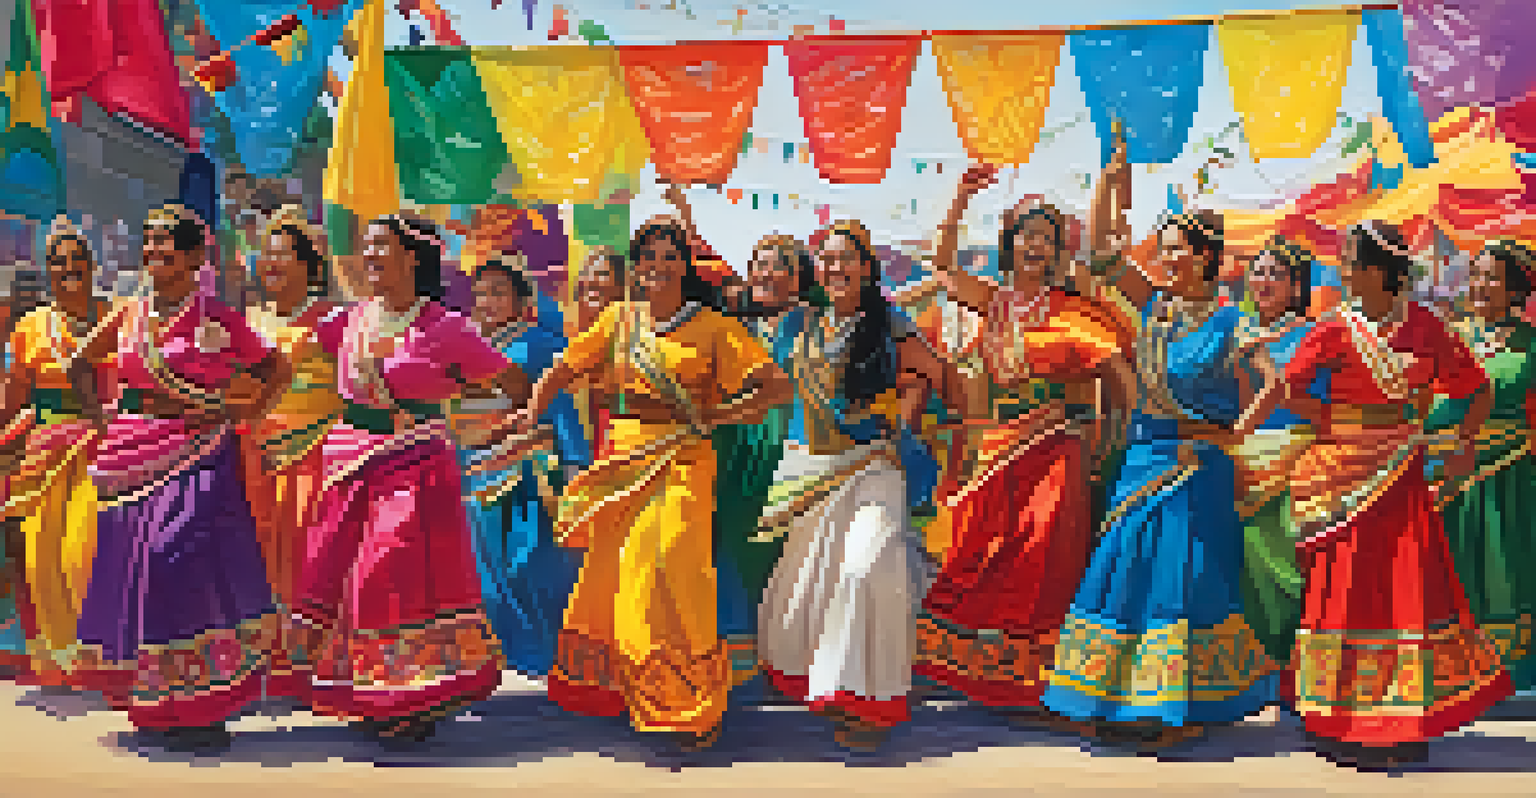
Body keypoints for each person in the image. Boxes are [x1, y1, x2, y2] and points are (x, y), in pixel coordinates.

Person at [511, 215, 793, 751]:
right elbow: (563, 370)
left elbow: (776, 390)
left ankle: (686, 698)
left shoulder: (713, 328)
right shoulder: (618, 320)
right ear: (636, 267)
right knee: (618, 575)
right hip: (624, 458)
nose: (658, 266)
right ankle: (642, 688)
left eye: (670, 256)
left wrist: (722, 413)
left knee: (670, 560)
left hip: (684, 456)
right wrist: (532, 413)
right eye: (649, 257)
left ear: (685, 266)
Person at [1246, 221, 1511, 765]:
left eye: (1348, 261)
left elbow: (1475, 387)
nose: (1341, 271)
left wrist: (1463, 443)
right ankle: (1331, 712)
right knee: (1339, 593)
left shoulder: (1425, 327)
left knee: (1400, 594)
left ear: (1376, 270)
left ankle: (1398, 716)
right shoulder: (1331, 328)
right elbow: (1292, 391)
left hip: (1398, 479)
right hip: (1337, 477)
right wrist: (1334, 423)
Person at [1040, 205, 1282, 749]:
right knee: (1123, 566)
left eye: (1180, 248)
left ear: (1206, 258)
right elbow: (1100, 254)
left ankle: (1176, 705)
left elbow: (1275, 385)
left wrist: (1233, 433)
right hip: (1144, 457)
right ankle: (1112, 696)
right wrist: (1114, 178)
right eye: (1165, 247)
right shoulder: (1153, 305)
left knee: (1181, 580)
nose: (1169, 257)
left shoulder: (1230, 320)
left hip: (1198, 464)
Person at [911, 165, 1133, 718]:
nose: (1036, 244)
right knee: (980, 556)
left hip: (1059, 446)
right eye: (1026, 235)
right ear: (1009, 244)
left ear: (1057, 252)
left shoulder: (1074, 310)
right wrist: (959, 199)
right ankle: (975, 671)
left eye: (1047, 238)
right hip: (996, 451)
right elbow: (941, 268)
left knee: (1042, 555)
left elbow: (1117, 381)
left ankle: (1038, 683)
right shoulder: (993, 301)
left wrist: (1105, 446)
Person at [293, 214, 522, 744]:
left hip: (415, 465)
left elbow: (513, 383)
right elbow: (295, 360)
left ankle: (406, 691)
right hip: (349, 463)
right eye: (366, 247)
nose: (369, 256)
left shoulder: (446, 328)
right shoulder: (346, 322)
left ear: (413, 258)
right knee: (354, 580)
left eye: (380, 247)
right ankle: (388, 692)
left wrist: (492, 428)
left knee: (387, 569)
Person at [69, 205, 289, 751]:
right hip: (132, 458)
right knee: (140, 572)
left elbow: (275, 368)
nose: (154, 252)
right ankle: (163, 701)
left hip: (201, 452)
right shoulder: (128, 315)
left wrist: (246, 414)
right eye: (149, 242)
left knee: (178, 557)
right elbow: (80, 363)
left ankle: (206, 697)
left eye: (166, 244)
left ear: (195, 258)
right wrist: (102, 419)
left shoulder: (218, 318)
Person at [755, 219, 951, 750]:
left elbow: (937, 374)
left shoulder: (890, 324)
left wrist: (905, 411)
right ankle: (837, 685)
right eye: (825, 258)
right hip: (810, 474)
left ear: (865, 267)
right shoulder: (798, 326)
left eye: (844, 258)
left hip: (873, 465)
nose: (834, 267)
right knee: (811, 586)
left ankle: (873, 696)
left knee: (868, 567)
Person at [453, 252, 588, 679]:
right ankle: (511, 655)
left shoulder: (542, 345)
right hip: (475, 471)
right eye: (480, 293)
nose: (487, 301)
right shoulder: (468, 345)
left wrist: (574, 469)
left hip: (529, 474)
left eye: (498, 292)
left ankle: (556, 656)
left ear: (521, 300)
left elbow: (563, 412)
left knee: (532, 565)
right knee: (488, 571)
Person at [239, 206, 347, 699]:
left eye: (282, 255)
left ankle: (318, 664)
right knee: (259, 562)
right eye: (266, 255)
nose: (271, 264)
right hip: (255, 455)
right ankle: (270, 665)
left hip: (316, 454)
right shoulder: (250, 319)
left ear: (309, 264)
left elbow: (356, 385)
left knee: (310, 560)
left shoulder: (332, 320)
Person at [1425, 239, 1536, 691]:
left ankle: (1510, 672)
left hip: (1510, 473)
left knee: (1506, 570)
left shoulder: (1530, 343)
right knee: (1452, 569)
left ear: (1515, 289)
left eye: (1491, 277)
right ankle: (1457, 672)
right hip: (1451, 472)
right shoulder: (1451, 336)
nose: (1480, 285)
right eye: (1475, 275)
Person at [714, 233, 812, 689]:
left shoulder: (815, 322)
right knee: (731, 547)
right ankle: (737, 658)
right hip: (735, 447)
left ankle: (786, 655)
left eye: (777, 266)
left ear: (798, 278)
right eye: (758, 265)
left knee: (782, 553)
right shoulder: (734, 325)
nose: (765, 274)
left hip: (791, 448)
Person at [1230, 238, 1317, 670]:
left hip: (1292, 461)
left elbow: (1323, 404)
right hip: (1233, 459)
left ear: (1296, 286)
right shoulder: (1233, 328)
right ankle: (1249, 667)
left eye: (1275, 274)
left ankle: (1290, 663)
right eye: (1258, 272)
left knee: (1284, 565)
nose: (1263, 281)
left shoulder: (1312, 336)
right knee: (1239, 563)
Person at [0, 253, 77, 681]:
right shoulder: (23, 333)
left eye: (32, 295)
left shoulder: (40, 333)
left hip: (42, 438)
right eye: (18, 296)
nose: (24, 303)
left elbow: (18, 401)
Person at [569, 246, 625, 462]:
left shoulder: (634, 331)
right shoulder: (582, 336)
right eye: (587, 274)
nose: (591, 281)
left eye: (601, 274)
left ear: (622, 286)